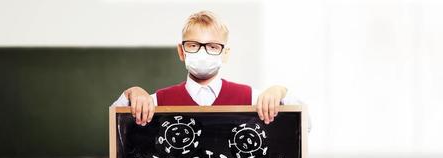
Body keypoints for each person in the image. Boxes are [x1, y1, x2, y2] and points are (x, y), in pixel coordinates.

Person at [112, 10, 303, 126]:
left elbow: (305, 125)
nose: (202, 53)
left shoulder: (254, 99)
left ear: (225, 53)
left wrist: (280, 91)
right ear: (181, 51)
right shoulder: (156, 103)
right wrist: (131, 93)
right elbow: (115, 127)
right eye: (193, 45)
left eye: (212, 47)